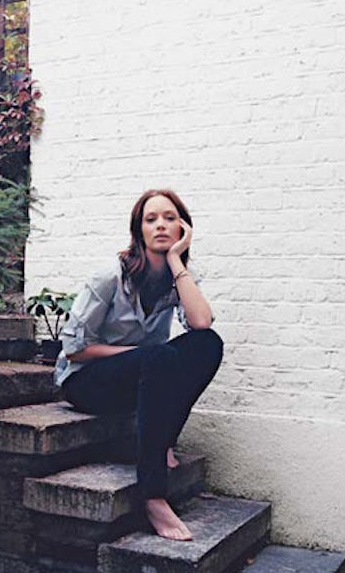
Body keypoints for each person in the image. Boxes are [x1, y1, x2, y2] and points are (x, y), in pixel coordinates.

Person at [54, 188, 223, 541]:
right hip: (86, 381)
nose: (160, 225)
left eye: (170, 218)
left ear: (183, 229)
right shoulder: (109, 276)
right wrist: (137, 355)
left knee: (208, 345)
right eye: (151, 219)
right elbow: (74, 349)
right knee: (159, 356)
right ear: (139, 230)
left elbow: (201, 323)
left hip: (143, 374)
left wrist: (177, 261)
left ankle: (163, 440)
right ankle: (153, 495)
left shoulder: (178, 279)